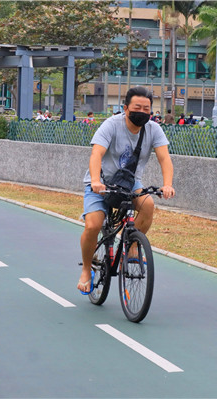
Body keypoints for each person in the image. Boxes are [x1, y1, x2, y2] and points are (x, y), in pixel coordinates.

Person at [78, 86, 176, 293]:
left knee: (148, 205)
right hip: (102, 183)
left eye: (146, 108)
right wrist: (95, 181)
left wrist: (168, 184)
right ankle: (87, 269)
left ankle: (131, 246)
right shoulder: (111, 125)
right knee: (93, 225)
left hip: (130, 183)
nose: (142, 112)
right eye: (137, 107)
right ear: (125, 108)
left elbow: (164, 157)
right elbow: (96, 154)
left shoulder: (154, 129)